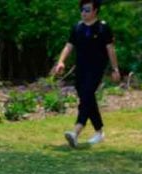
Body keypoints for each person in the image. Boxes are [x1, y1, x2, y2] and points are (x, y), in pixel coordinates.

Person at [53, 0, 121, 148]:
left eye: (87, 10)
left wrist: (115, 69)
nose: (83, 13)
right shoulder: (77, 28)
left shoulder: (103, 28)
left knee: (87, 95)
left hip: (96, 68)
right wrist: (61, 62)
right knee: (87, 98)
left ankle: (76, 131)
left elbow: (110, 49)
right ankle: (99, 132)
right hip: (81, 69)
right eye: (82, 10)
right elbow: (69, 45)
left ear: (95, 10)